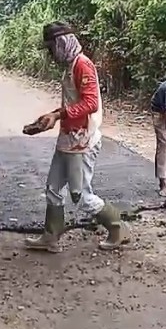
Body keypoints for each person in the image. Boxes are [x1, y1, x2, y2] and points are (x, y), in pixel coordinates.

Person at [22, 21, 130, 252]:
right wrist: (51, 117)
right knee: (53, 188)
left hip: (82, 141)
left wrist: (59, 114)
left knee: (81, 196)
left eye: (51, 48)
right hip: (69, 139)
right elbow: (74, 102)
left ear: (61, 44)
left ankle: (117, 227)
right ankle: (51, 236)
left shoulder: (83, 65)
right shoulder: (72, 65)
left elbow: (90, 103)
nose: (50, 54)